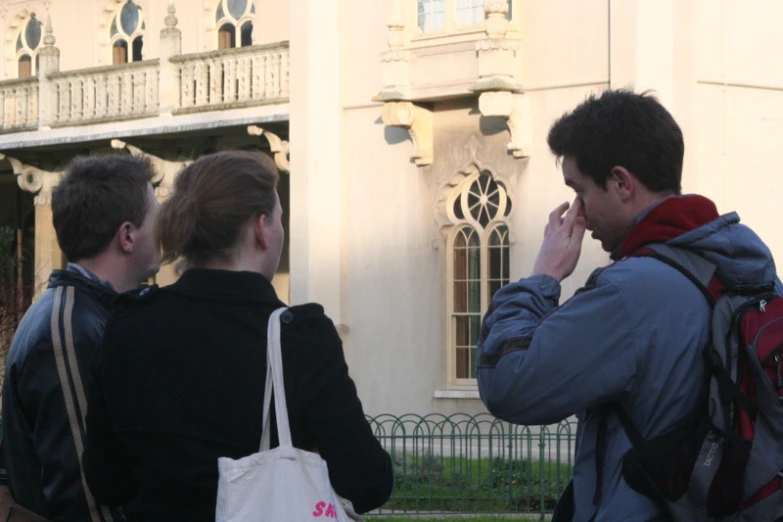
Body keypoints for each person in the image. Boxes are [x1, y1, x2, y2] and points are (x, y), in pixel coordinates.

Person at [476, 89, 781, 521]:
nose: (577, 212)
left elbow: (508, 384)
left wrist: (541, 278)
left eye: (579, 190)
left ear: (621, 182)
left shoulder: (629, 293)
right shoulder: (745, 265)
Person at [82, 150, 394, 522]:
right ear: (261, 228)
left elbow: (106, 481)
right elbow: (368, 482)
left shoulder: (129, 326)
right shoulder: (299, 339)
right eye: (280, 220)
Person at [1, 154, 160, 521]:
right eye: (156, 216)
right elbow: (85, 492)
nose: (163, 227)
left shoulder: (86, 316)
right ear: (127, 235)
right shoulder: (69, 332)